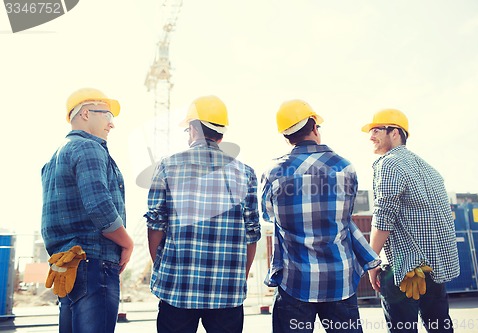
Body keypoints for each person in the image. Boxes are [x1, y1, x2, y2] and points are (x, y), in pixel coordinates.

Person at [261, 99, 380, 333]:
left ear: (286, 136)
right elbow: (345, 216)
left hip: (295, 281)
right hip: (340, 281)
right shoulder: (346, 168)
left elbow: (268, 215)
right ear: (315, 127)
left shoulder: (274, 172)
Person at [144, 95, 261, 333]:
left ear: (194, 128)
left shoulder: (168, 166)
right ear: (221, 132)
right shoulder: (245, 173)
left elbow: (155, 224)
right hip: (226, 293)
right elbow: (252, 234)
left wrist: (162, 268)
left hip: (177, 288)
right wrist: (239, 275)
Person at [41, 87, 134, 333]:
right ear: (85, 114)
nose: (111, 124)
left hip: (68, 266)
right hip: (94, 263)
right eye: (107, 115)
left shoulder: (53, 159)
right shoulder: (89, 148)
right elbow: (100, 208)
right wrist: (127, 243)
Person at [362, 108, 460, 332]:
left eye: (376, 130)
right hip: (435, 269)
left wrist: (371, 262)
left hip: (404, 269)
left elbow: (383, 216)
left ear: (395, 132)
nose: (371, 136)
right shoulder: (432, 171)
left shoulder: (389, 163)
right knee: (440, 327)